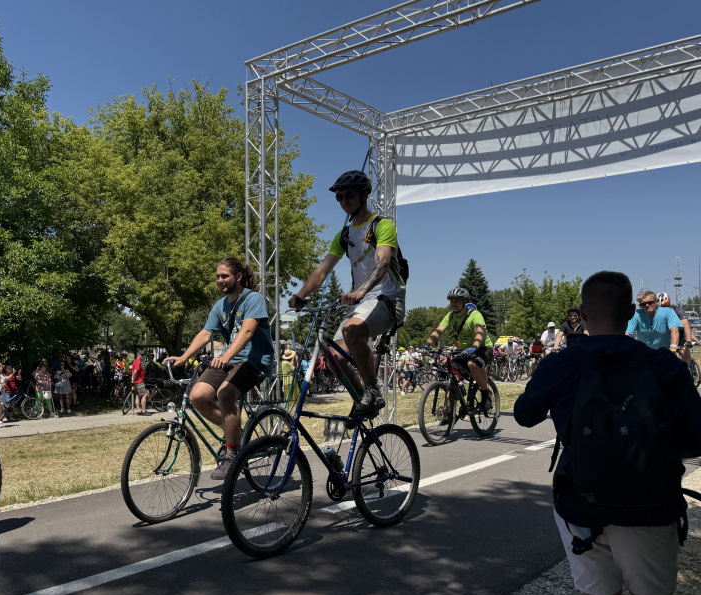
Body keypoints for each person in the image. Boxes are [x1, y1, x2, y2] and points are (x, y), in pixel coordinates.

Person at [514, 271, 701, 595]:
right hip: (650, 501)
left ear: (582, 313)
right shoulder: (664, 365)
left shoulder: (560, 363)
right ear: (631, 311)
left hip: (578, 501)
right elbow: (698, 437)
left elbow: (524, 414)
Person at [288, 170, 406, 417]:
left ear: (364, 195)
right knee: (333, 356)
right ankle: (363, 402)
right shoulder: (343, 235)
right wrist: (299, 296)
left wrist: (360, 290)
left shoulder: (382, 226)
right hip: (363, 305)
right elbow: (322, 271)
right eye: (339, 197)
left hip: (388, 299)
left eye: (348, 195)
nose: (344, 201)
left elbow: (382, 263)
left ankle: (372, 391)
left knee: (351, 330)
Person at [164, 257, 275, 480]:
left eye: (224, 276)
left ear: (238, 277)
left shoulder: (253, 299)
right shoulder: (220, 305)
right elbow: (206, 334)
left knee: (225, 394)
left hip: (254, 361)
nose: (220, 280)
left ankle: (232, 453)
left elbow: (247, 332)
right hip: (229, 360)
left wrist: (224, 357)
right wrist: (184, 357)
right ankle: (236, 434)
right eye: (217, 277)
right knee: (197, 397)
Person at [423, 287, 494, 414]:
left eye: (457, 301)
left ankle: (485, 394)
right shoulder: (450, 317)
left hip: (483, 348)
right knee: (453, 377)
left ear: (465, 302)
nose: (453, 304)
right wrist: (426, 345)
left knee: (473, 364)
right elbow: (438, 331)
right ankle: (450, 412)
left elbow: (479, 332)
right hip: (463, 350)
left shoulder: (475, 315)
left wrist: (474, 346)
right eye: (451, 301)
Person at [658, 291, 697, 366]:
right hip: (667, 336)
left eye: (665, 307)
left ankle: (685, 370)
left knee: (685, 352)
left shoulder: (677, 310)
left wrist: (688, 341)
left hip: (680, 334)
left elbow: (686, 326)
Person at [131, 350, 149, 416]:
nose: (143, 356)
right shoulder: (138, 361)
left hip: (136, 381)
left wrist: (133, 380)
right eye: (141, 355)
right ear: (138, 355)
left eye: (143, 355)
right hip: (139, 381)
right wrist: (133, 380)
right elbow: (135, 371)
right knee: (144, 395)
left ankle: (139, 410)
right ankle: (144, 411)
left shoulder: (136, 361)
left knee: (138, 395)